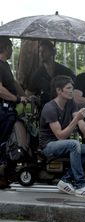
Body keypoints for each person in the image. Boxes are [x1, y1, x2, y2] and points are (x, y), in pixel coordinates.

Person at [39, 75, 85, 198]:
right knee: (74, 144)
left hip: (63, 145)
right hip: (49, 146)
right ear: (59, 91)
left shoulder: (70, 102)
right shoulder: (50, 108)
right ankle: (80, 186)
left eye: (72, 88)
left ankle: (65, 180)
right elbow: (60, 136)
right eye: (68, 88)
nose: (72, 90)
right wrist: (76, 118)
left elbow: (81, 124)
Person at [0, 37, 28, 188]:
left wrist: (26, 97)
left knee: (8, 142)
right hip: (2, 109)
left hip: (8, 110)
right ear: (4, 47)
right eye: (10, 46)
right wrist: (17, 98)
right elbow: (0, 90)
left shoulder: (5, 65)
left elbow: (13, 83)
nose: (12, 50)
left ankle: (5, 175)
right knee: (3, 142)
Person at [26, 40, 76, 109]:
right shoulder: (37, 74)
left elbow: (75, 89)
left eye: (44, 51)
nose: (41, 54)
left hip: (64, 109)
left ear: (53, 52)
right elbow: (28, 93)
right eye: (40, 51)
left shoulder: (65, 71)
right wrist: (34, 99)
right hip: (45, 109)